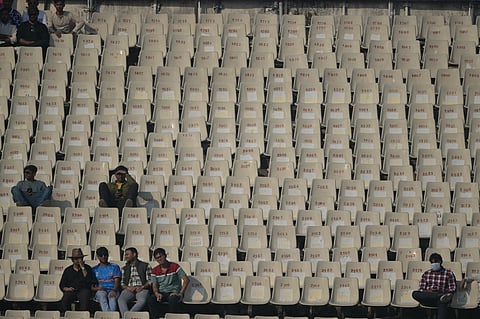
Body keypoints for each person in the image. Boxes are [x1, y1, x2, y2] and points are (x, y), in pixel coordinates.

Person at [412, 253, 457, 319]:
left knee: (443, 301)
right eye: (432, 262)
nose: (434, 264)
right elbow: (421, 288)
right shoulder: (427, 273)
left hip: (441, 298)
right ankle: (438, 295)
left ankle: (439, 295)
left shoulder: (448, 273)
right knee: (415, 294)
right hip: (428, 297)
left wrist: (441, 291)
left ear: (440, 262)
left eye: (436, 262)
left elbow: (453, 288)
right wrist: (428, 291)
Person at [148, 248, 189, 319]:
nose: (159, 259)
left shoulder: (175, 266)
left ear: (165, 255)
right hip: (161, 292)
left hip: (173, 292)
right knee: (151, 299)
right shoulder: (154, 270)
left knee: (172, 299)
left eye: (161, 256)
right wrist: (156, 293)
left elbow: (186, 279)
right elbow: (154, 285)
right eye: (157, 258)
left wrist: (180, 293)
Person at [118, 247, 152, 317]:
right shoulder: (124, 268)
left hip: (142, 288)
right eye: (125, 255)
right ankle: (128, 316)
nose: (125, 256)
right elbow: (121, 283)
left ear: (134, 254)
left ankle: (128, 316)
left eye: (127, 254)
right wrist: (127, 287)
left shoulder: (145, 265)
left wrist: (142, 287)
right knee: (121, 300)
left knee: (142, 301)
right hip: (129, 289)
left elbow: (150, 280)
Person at [92, 247, 122, 312]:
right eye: (101, 255)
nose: (103, 257)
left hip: (113, 289)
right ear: (97, 257)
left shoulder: (114, 267)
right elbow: (92, 286)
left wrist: (114, 290)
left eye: (105, 255)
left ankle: (110, 315)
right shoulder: (94, 269)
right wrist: (98, 288)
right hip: (101, 290)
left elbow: (117, 281)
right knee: (102, 297)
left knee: (112, 300)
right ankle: (109, 315)